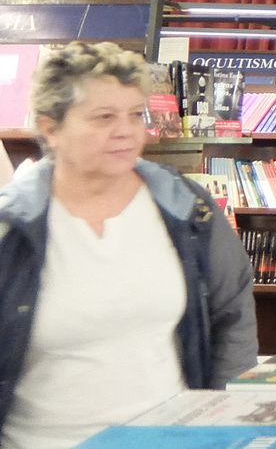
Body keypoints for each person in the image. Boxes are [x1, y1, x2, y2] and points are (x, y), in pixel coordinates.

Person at [0, 41, 258, 449]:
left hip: (169, 441)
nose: (125, 131)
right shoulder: (11, 230)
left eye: (136, 115)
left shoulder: (186, 208)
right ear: (51, 128)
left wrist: (225, 418)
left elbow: (232, 314)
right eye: (103, 117)